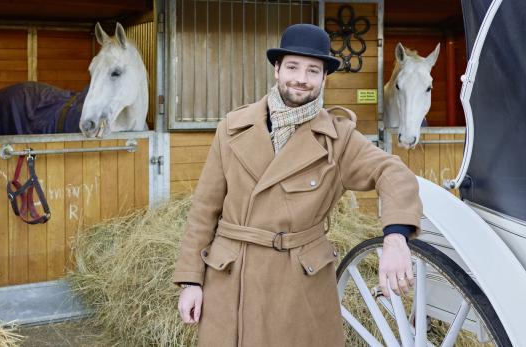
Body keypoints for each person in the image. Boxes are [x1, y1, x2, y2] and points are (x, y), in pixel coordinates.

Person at [173, 23, 422, 347]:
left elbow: (393, 172)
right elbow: (204, 210)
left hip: (299, 286)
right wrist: (191, 281)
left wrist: (396, 239)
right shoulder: (232, 128)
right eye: (292, 67)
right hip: (230, 278)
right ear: (277, 69)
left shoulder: (338, 138)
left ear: (323, 78)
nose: (301, 78)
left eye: (312, 70)